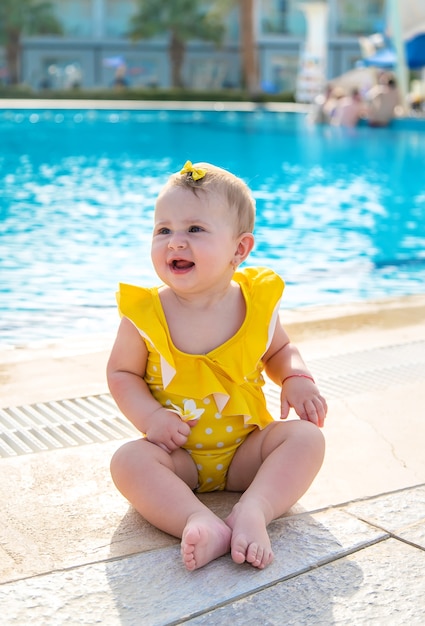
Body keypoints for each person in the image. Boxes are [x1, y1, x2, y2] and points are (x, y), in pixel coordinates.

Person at [107, 160, 327, 572]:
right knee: (127, 462)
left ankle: (255, 509)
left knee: (307, 440)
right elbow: (122, 374)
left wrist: (296, 376)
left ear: (239, 249)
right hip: (177, 455)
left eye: (194, 229)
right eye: (163, 230)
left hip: (247, 449)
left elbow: (279, 350)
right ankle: (197, 520)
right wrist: (151, 416)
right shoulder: (146, 314)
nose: (175, 242)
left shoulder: (255, 305)